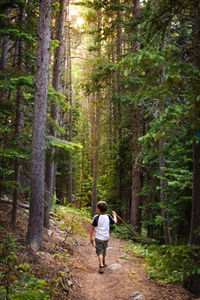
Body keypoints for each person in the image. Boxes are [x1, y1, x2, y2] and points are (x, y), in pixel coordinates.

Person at [90, 201, 117, 274]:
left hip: (98, 238)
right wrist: (114, 215)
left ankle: (101, 265)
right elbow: (115, 222)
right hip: (106, 237)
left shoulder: (96, 217)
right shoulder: (108, 216)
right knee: (104, 250)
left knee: (99, 252)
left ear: (98, 209)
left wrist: (91, 237)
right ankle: (103, 261)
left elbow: (92, 228)